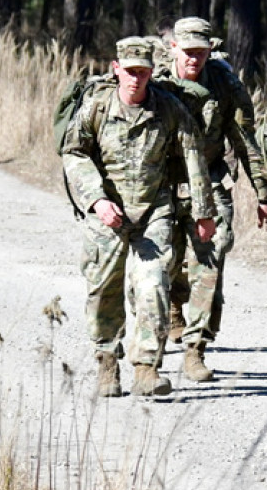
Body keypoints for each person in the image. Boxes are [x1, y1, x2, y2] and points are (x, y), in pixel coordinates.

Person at [62, 37, 216, 398]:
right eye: (129, 72)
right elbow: (74, 153)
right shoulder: (96, 108)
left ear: (151, 72)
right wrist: (97, 200)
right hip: (107, 213)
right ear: (117, 69)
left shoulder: (169, 109)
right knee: (104, 290)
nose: (136, 80)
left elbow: (193, 157)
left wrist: (203, 212)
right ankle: (106, 363)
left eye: (143, 73)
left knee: (154, 286)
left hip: (154, 211)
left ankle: (147, 368)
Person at [152, 17, 267, 381]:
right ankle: (173, 309)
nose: (194, 59)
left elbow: (245, 140)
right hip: (165, 186)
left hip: (210, 180)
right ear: (174, 48)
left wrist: (263, 193)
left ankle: (196, 349)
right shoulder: (156, 83)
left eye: (201, 53)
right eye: (188, 52)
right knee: (165, 264)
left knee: (213, 257)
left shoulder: (224, 83)